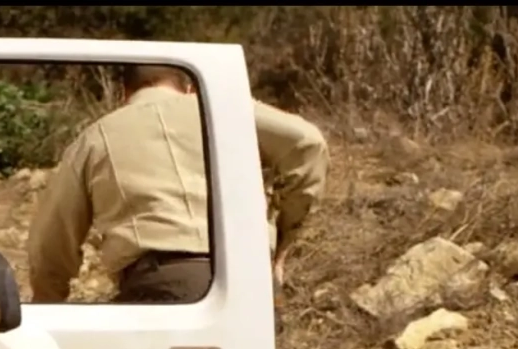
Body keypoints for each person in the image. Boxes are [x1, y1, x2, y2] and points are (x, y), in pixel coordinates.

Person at [27, 64, 329, 303]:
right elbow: (308, 142)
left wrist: (48, 303)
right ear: (188, 87)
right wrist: (282, 244)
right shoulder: (224, 112)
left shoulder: (95, 138)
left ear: (124, 92)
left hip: (162, 285)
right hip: (250, 282)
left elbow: (50, 240)